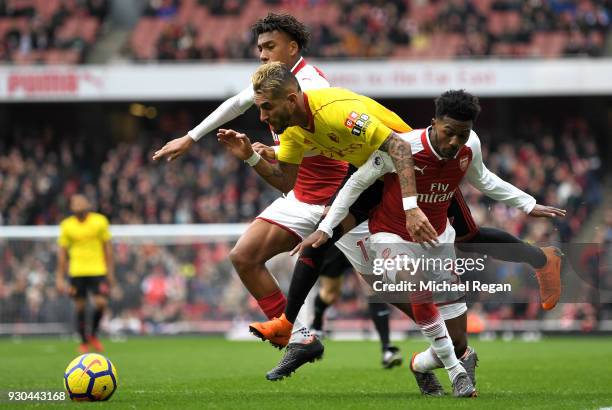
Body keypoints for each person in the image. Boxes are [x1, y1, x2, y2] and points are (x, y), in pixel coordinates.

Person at [153, 13, 405, 364]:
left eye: (269, 46)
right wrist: (191, 137)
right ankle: (299, 337)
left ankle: (449, 342)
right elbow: (237, 104)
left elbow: (334, 139)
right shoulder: (273, 82)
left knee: (388, 289)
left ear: (292, 47)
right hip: (300, 193)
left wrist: (272, 152)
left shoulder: (313, 85)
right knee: (244, 256)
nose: (262, 54)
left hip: (336, 198)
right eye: (259, 48)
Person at [294, 90, 566, 395]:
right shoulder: (403, 147)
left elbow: (485, 179)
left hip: (438, 241)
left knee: (458, 341)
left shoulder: (469, 145)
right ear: (433, 122)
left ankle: (420, 365)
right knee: (415, 281)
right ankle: (457, 374)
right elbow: (356, 183)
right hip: (390, 236)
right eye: (448, 133)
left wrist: (529, 205)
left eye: (461, 135)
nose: (454, 142)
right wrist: (327, 228)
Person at [56, 194, 115, 353]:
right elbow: (62, 253)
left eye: (81, 202)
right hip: (77, 271)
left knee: (101, 303)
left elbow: (107, 248)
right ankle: (83, 341)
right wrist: (60, 277)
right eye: (75, 203)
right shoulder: (67, 225)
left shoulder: (100, 221)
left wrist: (110, 272)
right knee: (80, 306)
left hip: (98, 270)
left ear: (88, 203)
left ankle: (93, 335)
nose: (79, 205)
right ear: (71, 207)